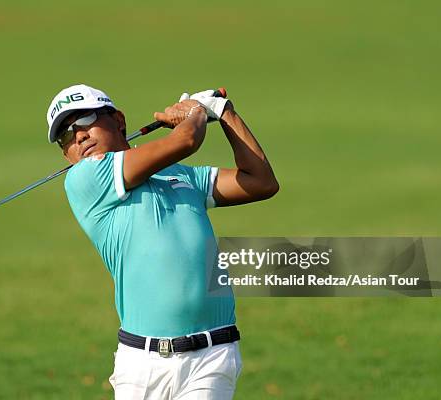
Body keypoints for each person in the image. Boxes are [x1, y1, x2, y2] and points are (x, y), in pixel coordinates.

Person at [46, 84, 279, 399]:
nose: (79, 136)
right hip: (141, 366)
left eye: (85, 120)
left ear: (119, 120)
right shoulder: (85, 179)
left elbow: (260, 182)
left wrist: (225, 113)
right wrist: (196, 111)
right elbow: (186, 139)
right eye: (65, 135)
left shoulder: (180, 175)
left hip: (212, 357)